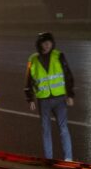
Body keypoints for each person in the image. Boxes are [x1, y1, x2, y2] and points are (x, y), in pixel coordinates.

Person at [24, 32, 75, 161]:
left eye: (49, 42)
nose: (46, 45)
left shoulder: (59, 56)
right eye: (44, 43)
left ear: (52, 43)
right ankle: (48, 159)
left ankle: (68, 158)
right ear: (39, 44)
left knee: (63, 128)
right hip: (43, 100)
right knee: (46, 130)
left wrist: (70, 94)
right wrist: (30, 98)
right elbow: (28, 80)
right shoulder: (33, 60)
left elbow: (68, 75)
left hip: (59, 99)